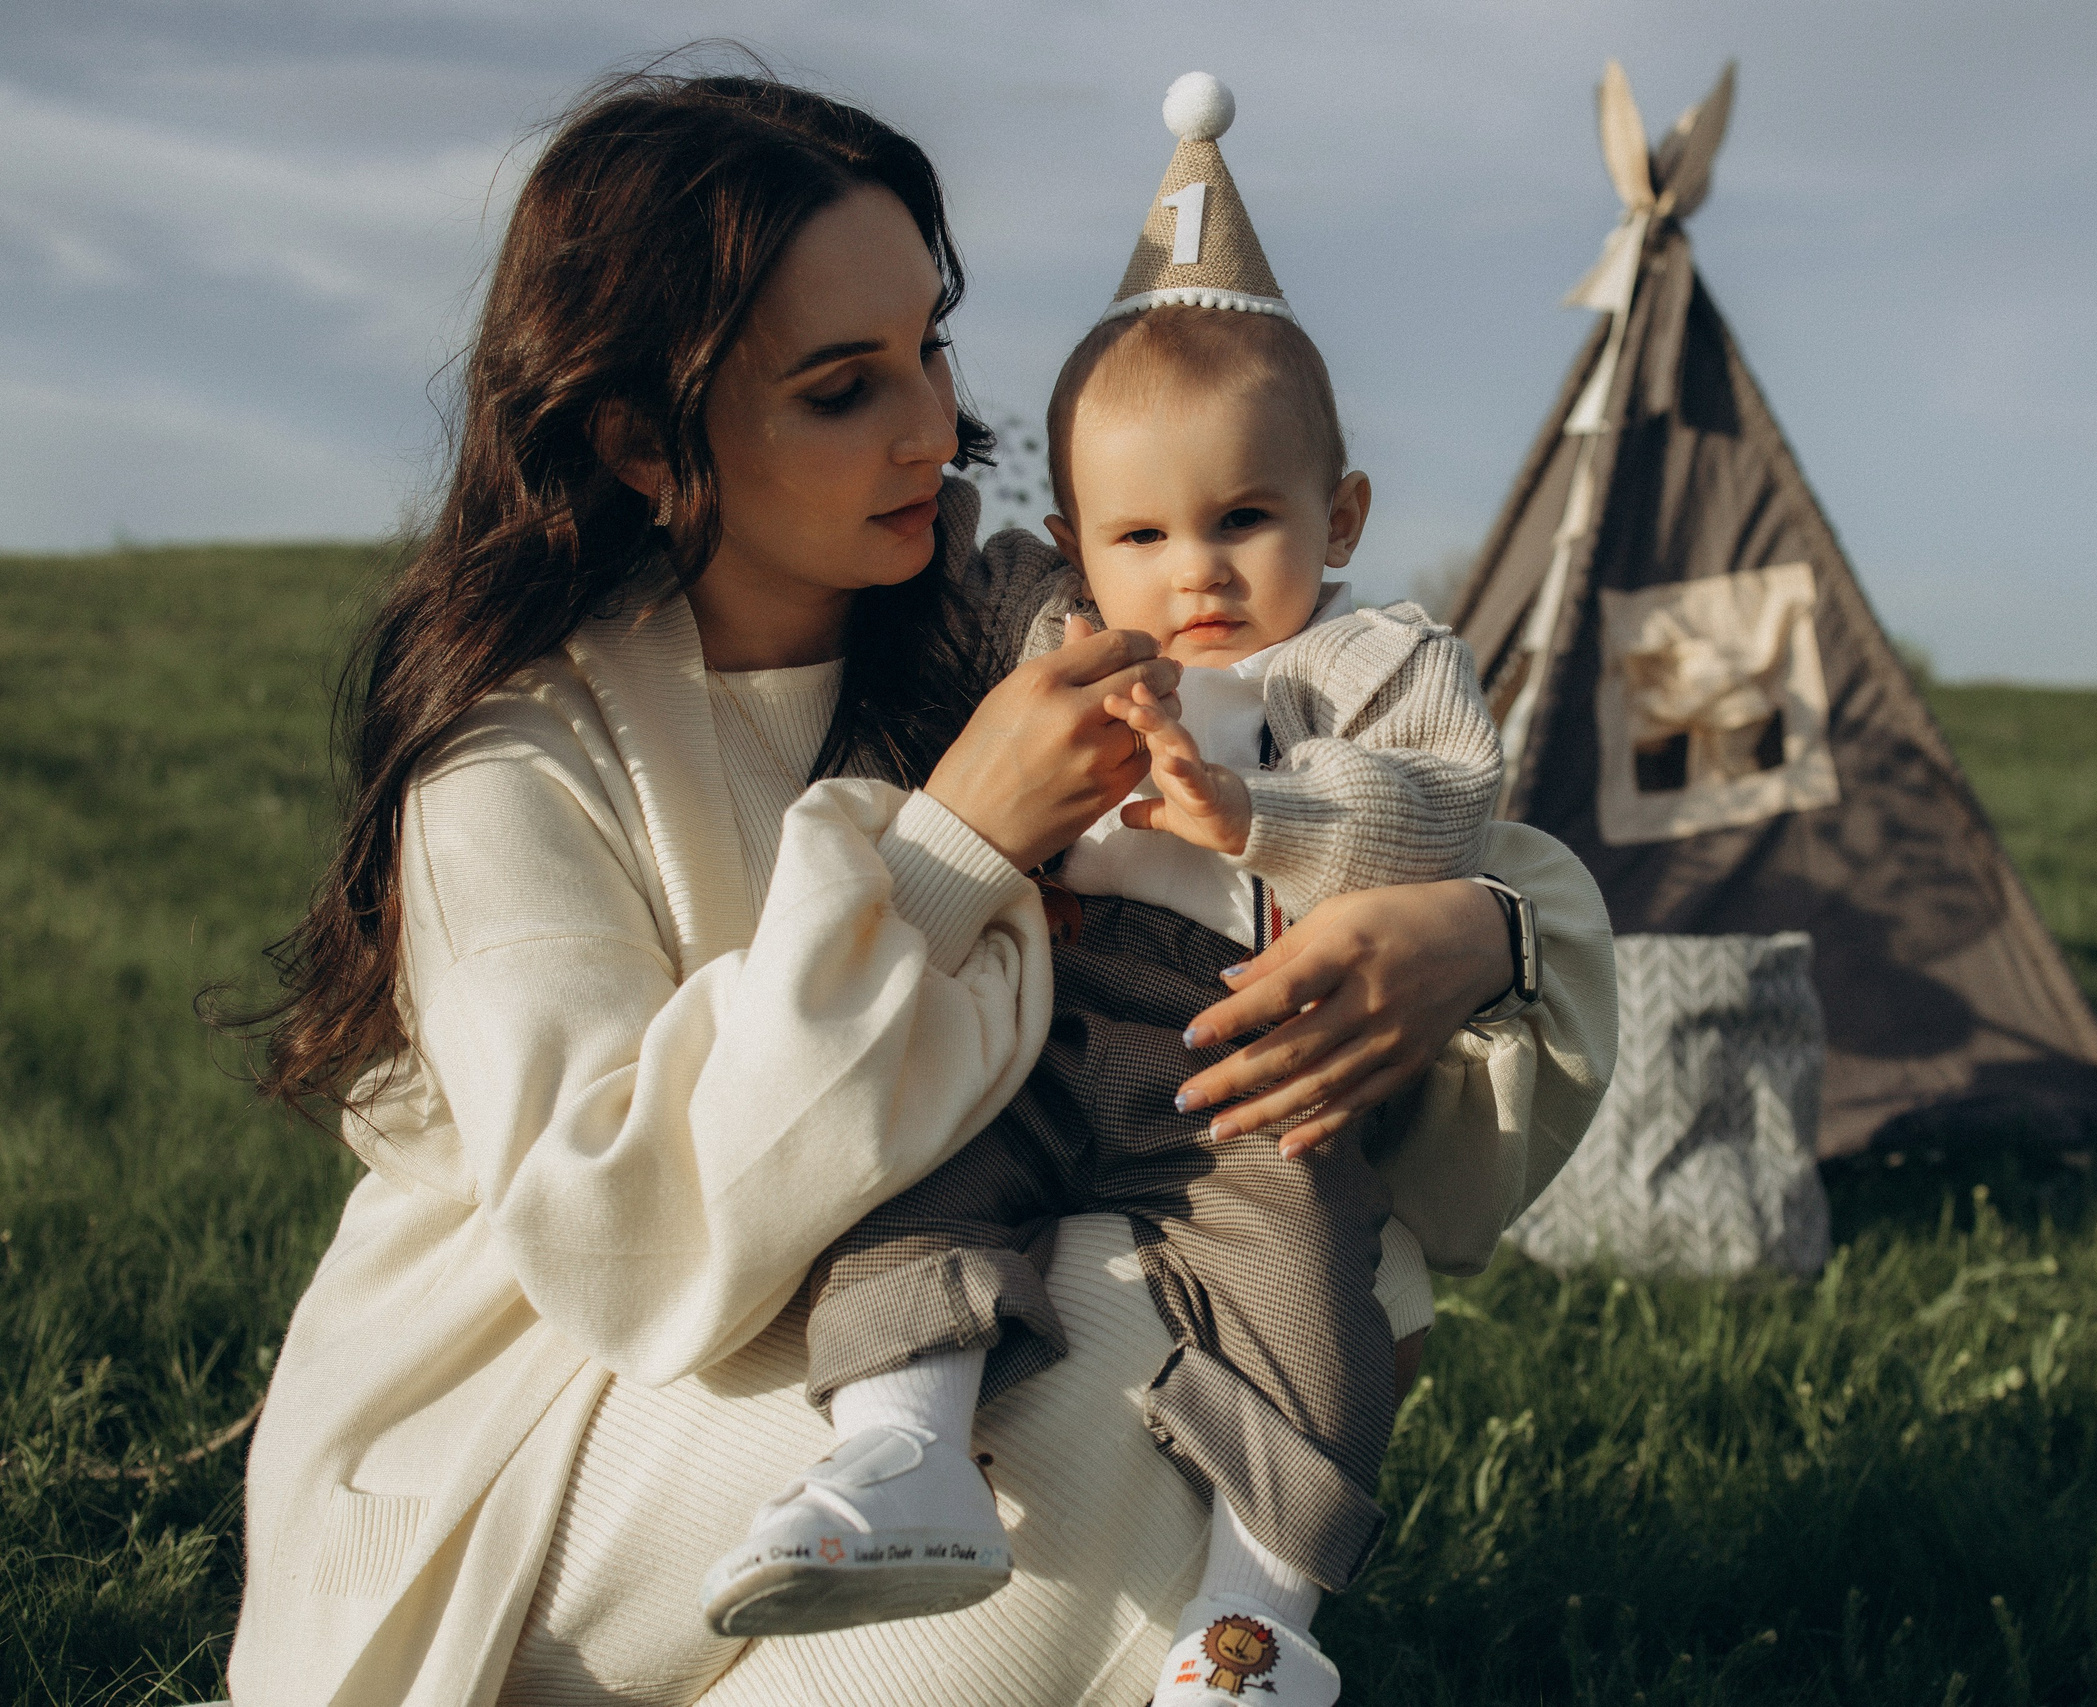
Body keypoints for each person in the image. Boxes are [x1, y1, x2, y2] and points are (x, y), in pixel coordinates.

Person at [226, 66, 1614, 1707]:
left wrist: (1488, 935)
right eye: (840, 389)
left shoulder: (980, 610)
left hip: (838, 1348)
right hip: (532, 1434)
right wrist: (956, 845)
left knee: (1290, 1266)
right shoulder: (516, 764)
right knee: (1121, 1317)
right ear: (640, 445)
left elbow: (1389, 774)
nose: (933, 428)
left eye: (931, 349)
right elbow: (623, 1245)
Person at [698, 79, 1510, 1707]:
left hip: (1240, 1083)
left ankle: (1258, 1620)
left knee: (1313, 1303)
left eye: (1248, 520)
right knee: (917, 1186)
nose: (1196, 572)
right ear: (1073, 540)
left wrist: (1265, 809)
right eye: (1142, 532)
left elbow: (1449, 799)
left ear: (1339, 518)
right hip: (1037, 1041)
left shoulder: (1366, 660)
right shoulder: (1042, 624)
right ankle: (904, 1448)